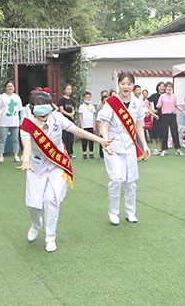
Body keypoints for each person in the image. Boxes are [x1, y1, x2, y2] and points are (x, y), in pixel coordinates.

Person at [17, 91, 113, 252]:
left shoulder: (57, 118)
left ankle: (50, 237)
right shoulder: (27, 125)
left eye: (45, 106)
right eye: (38, 106)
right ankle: (36, 224)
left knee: (51, 199)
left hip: (57, 164)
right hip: (36, 165)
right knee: (33, 204)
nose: (43, 111)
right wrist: (25, 161)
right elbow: (26, 145)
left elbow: (77, 131)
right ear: (32, 108)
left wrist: (100, 140)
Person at [99, 71, 151, 225]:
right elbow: (104, 126)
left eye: (129, 83)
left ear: (133, 85)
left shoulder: (137, 103)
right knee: (116, 179)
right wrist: (105, 141)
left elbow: (139, 126)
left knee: (131, 182)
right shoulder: (111, 103)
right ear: (118, 84)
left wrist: (145, 145)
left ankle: (130, 212)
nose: (126, 86)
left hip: (129, 146)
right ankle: (113, 212)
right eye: (123, 83)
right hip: (113, 146)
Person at [156, 82, 185, 157]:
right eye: (168, 87)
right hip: (165, 115)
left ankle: (178, 149)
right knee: (165, 132)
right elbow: (158, 105)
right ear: (165, 88)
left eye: (170, 87)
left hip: (172, 115)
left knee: (175, 132)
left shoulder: (174, 96)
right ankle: (164, 149)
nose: (169, 88)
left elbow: (176, 105)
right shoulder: (162, 96)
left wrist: (182, 110)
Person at [0, 81, 23, 163]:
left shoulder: (17, 97)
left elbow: (19, 110)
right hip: (4, 122)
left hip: (14, 122)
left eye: (11, 86)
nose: (10, 88)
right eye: (8, 86)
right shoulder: (1, 97)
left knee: (15, 139)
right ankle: (1, 156)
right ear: (5, 88)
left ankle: (16, 155)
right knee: (2, 139)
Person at [58, 84, 76, 159]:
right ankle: (63, 152)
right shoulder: (62, 100)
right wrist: (68, 114)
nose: (69, 91)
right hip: (64, 120)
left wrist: (72, 114)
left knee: (70, 137)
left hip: (71, 120)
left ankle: (70, 153)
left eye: (70, 89)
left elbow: (73, 109)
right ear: (64, 90)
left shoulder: (72, 100)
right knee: (64, 137)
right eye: (67, 89)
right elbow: (61, 109)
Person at [147, 82, 165, 155]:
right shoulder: (155, 96)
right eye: (160, 86)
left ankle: (162, 148)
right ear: (157, 87)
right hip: (156, 116)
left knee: (162, 133)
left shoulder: (166, 96)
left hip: (164, 115)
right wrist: (152, 110)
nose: (161, 88)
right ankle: (155, 148)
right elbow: (146, 102)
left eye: (163, 86)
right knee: (154, 133)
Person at [78, 91, 96, 159]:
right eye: (86, 97)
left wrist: (94, 125)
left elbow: (94, 116)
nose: (88, 99)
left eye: (89, 97)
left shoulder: (92, 106)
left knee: (91, 139)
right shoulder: (81, 107)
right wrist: (81, 126)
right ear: (83, 98)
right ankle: (84, 152)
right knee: (84, 139)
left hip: (91, 125)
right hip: (84, 126)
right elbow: (80, 116)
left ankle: (91, 152)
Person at [96, 90, 109, 162]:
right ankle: (101, 156)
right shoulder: (101, 112)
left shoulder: (111, 111)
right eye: (104, 102)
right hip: (102, 130)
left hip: (109, 130)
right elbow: (98, 121)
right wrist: (99, 130)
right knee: (102, 142)